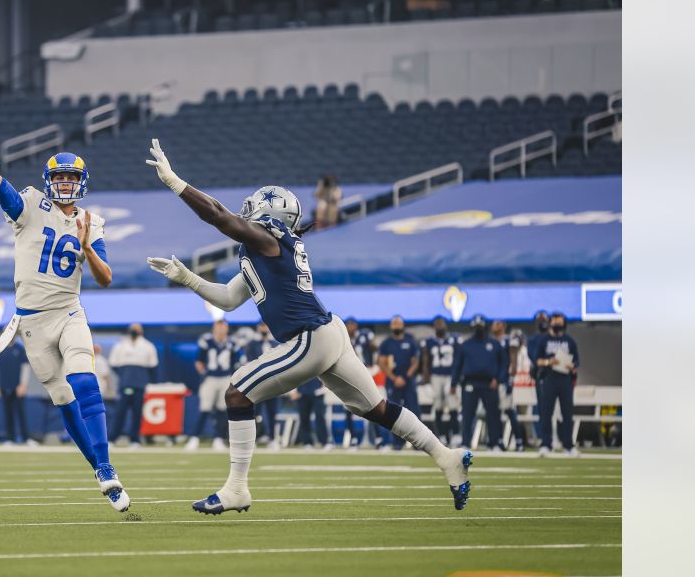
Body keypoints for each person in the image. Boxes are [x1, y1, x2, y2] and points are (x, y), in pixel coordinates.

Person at [144, 138, 472, 514]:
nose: (245, 211)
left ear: (268, 213)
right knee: (376, 408)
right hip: (328, 332)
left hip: (310, 338)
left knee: (237, 394)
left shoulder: (270, 239)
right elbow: (230, 299)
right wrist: (187, 277)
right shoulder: (269, 250)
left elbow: (219, 215)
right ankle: (447, 457)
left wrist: (174, 182)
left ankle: (236, 489)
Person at [0, 101, 129, 512]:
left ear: (82, 181)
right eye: (59, 177)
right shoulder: (31, 205)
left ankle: (106, 467)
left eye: (71, 177)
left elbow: (106, 279)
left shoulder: (92, 221)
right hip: (32, 323)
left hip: (69, 311)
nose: (65, 183)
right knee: (63, 399)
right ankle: (99, 470)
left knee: (85, 380)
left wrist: (87, 246)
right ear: (49, 181)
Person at [451, 315, 506, 452]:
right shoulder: (466, 345)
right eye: (476, 327)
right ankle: (465, 442)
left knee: (493, 414)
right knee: (467, 414)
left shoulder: (494, 344)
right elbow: (457, 365)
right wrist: (454, 383)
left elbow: (504, 364)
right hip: (470, 383)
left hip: (489, 383)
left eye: (480, 327)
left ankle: (494, 443)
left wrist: (498, 379)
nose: (478, 330)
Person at [187, 319, 241, 451]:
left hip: (225, 378)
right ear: (214, 328)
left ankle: (218, 438)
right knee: (205, 408)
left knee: (222, 409)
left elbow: (237, 363)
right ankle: (194, 438)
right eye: (219, 327)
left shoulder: (232, 343)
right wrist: (204, 374)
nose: (222, 330)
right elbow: (198, 362)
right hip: (210, 378)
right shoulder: (206, 341)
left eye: (224, 327)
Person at [533, 312, 580, 456]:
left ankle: (568, 445)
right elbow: (537, 360)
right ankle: (546, 444)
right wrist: (549, 362)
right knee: (546, 412)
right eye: (555, 322)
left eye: (560, 322)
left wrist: (572, 366)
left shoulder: (569, 341)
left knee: (567, 413)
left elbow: (577, 361)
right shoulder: (544, 340)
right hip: (549, 378)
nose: (558, 325)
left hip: (565, 380)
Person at [108, 323, 158, 447]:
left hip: (139, 385)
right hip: (125, 384)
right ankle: (112, 439)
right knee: (120, 412)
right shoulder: (120, 346)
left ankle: (135, 440)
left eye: (137, 329)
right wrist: (125, 376)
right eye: (133, 329)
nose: (135, 331)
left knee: (137, 413)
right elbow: (113, 364)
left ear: (141, 331)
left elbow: (152, 366)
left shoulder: (148, 346)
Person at [378, 316, 421, 451]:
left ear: (403, 325)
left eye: (398, 323)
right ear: (391, 326)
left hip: (408, 382)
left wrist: (405, 377)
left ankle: (417, 442)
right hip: (392, 382)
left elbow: (415, 362)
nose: (396, 326)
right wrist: (394, 378)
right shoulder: (386, 343)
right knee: (393, 413)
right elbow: (381, 362)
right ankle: (397, 442)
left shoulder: (411, 341)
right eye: (394, 323)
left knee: (414, 411)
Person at [422, 316, 461, 446]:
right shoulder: (429, 342)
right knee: (438, 406)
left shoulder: (454, 340)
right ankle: (442, 435)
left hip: (450, 375)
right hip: (436, 376)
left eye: (441, 323)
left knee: (453, 406)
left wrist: (455, 379)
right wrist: (427, 381)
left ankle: (455, 434)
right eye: (436, 324)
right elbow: (426, 361)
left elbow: (458, 360)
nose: (439, 326)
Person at [247, 323, 285, 450]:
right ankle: (254, 439)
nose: (264, 328)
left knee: (272, 413)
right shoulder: (252, 344)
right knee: (255, 413)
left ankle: (273, 438)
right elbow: (249, 363)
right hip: (257, 383)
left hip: (272, 384)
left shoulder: (275, 344)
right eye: (262, 326)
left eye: (266, 326)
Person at [342, 317, 377, 448]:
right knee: (349, 407)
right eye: (348, 325)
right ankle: (353, 438)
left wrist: (373, 364)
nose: (350, 327)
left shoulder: (365, 335)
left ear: (356, 326)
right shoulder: (342, 338)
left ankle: (378, 438)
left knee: (373, 405)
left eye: (352, 324)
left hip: (366, 373)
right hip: (350, 376)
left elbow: (375, 348)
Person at [492, 320, 526, 451]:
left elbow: (514, 361)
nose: (495, 326)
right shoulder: (491, 341)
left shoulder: (509, 340)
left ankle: (519, 441)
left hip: (504, 380)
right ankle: (499, 441)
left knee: (510, 411)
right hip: (494, 381)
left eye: (498, 324)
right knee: (496, 413)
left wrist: (511, 379)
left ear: (503, 326)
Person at [0, 339, 30, 445]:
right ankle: (10, 438)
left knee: (21, 413)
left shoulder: (20, 348)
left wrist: (23, 384)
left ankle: (26, 438)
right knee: (7, 413)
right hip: (4, 386)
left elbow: (25, 366)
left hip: (18, 387)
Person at [525, 310, 550, 443]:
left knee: (555, 409)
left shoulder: (554, 338)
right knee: (541, 407)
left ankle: (555, 436)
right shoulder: (533, 339)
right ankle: (542, 437)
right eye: (540, 319)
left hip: (556, 376)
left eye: (544, 319)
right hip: (541, 375)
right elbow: (534, 357)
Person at [293, 378, 331, 449]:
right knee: (304, 418)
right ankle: (307, 442)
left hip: (317, 391)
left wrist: (324, 387)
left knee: (320, 418)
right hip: (302, 393)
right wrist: (293, 391)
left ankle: (324, 442)